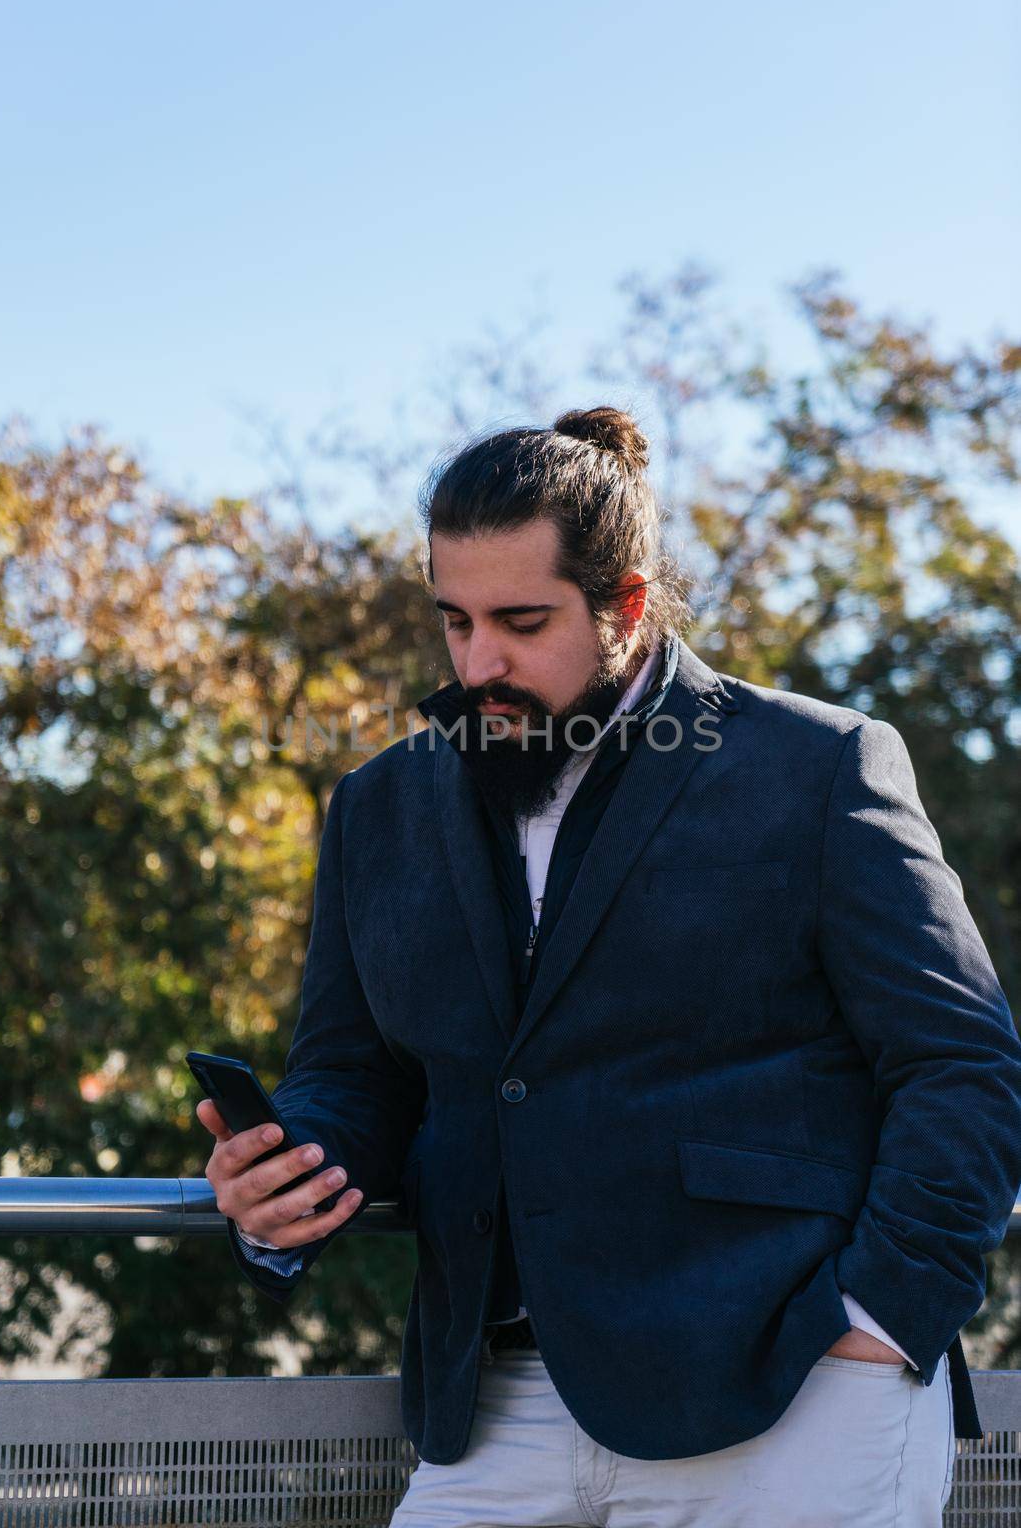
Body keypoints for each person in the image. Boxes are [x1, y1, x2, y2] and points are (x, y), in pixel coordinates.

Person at [199, 406, 1021, 1526]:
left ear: (626, 606)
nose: (479, 661)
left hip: (789, 1388)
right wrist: (285, 1172)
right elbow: (356, 1075)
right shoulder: (377, 806)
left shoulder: (817, 766)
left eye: (521, 621)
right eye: (454, 620)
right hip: (485, 1407)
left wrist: (878, 1323)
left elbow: (961, 1063)